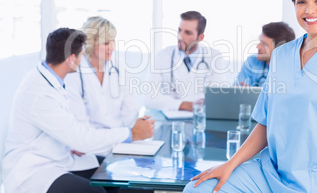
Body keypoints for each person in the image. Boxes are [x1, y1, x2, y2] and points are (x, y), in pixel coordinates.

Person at [183, 0, 317, 192]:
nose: (309, 10)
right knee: (198, 189)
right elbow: (265, 123)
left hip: (316, 182)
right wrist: (230, 164)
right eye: (301, 2)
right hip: (269, 171)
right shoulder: (282, 56)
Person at [2, 28, 147, 193]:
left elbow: (66, 129)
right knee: (97, 192)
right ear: (72, 59)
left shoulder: (51, 78)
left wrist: (71, 140)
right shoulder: (39, 92)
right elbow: (82, 138)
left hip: (59, 156)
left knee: (125, 181)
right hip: (33, 172)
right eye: (81, 54)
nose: (83, 59)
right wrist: (130, 133)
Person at [65, 16, 154, 156]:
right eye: (106, 43)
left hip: (121, 146)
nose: (111, 47)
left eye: (113, 41)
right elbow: (81, 127)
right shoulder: (74, 73)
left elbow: (130, 111)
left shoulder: (120, 66)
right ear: (90, 43)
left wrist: (131, 131)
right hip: (91, 152)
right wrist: (125, 134)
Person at [145, 11, 226, 111]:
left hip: (200, 122)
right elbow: (149, 99)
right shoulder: (162, 56)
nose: (180, 36)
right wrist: (184, 104)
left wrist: (168, 102)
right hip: (169, 124)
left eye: (187, 33)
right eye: (179, 30)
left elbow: (216, 98)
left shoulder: (214, 57)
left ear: (200, 37)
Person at [235, 22, 295, 87]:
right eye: (259, 41)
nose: (258, 47)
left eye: (264, 44)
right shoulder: (252, 61)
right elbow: (237, 91)